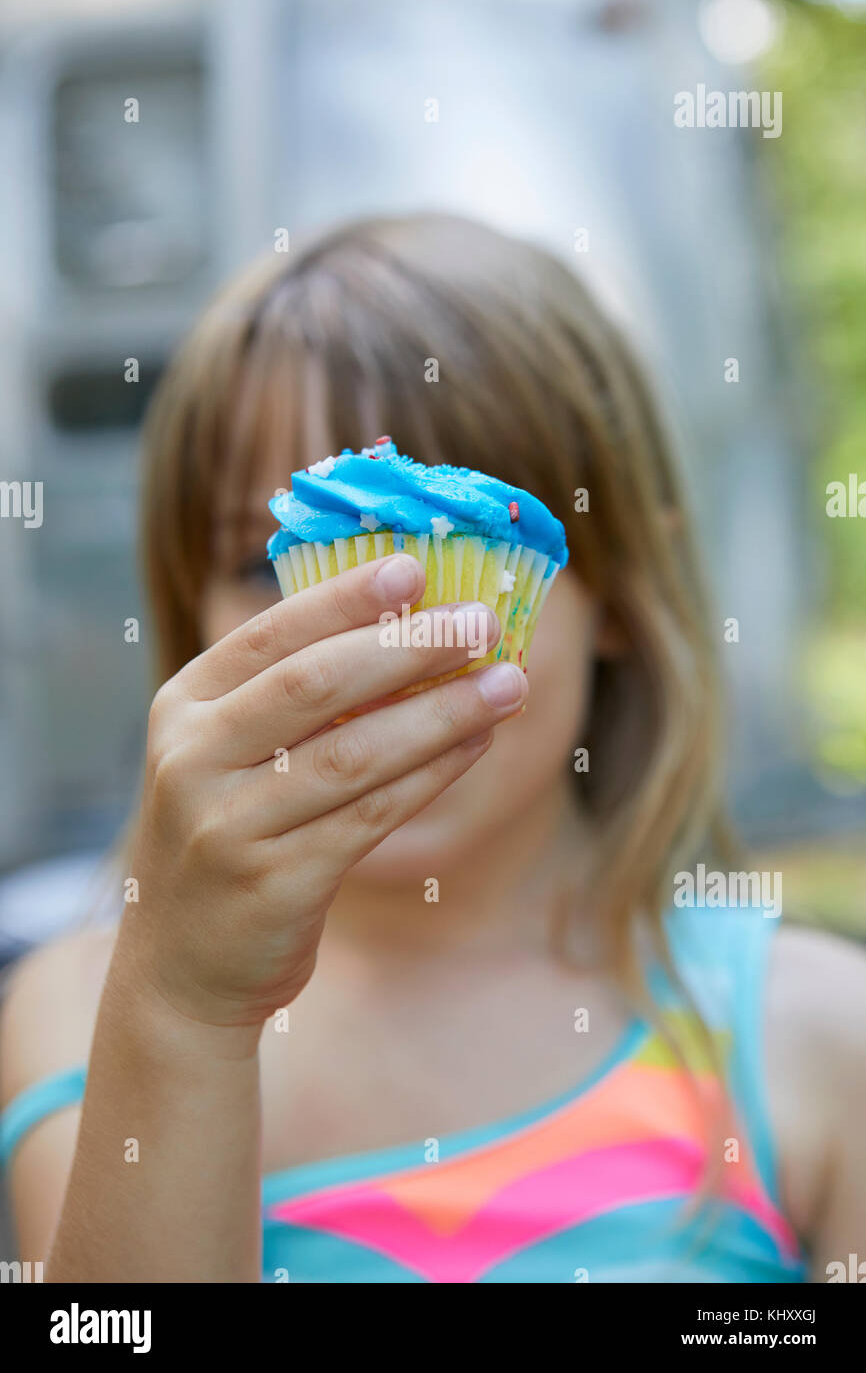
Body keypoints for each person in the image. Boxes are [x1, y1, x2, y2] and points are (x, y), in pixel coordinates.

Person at [1, 214, 864, 1283]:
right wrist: (183, 1015)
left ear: (614, 599)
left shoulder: (817, 1038)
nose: (379, 640)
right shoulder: (94, 1014)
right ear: (190, 625)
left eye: (469, 559)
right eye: (274, 567)